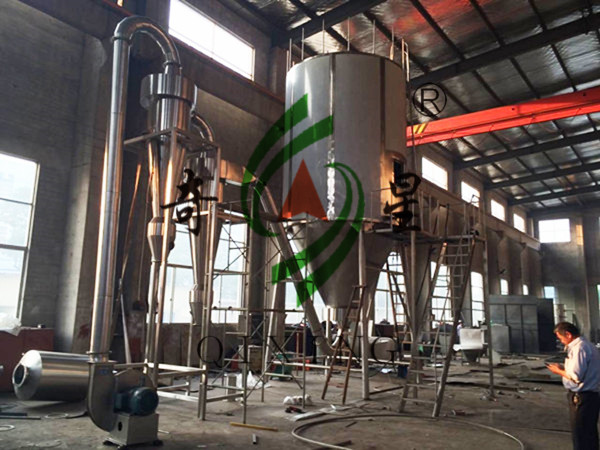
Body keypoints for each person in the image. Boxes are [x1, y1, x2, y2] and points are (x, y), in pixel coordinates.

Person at [546, 322, 600, 450]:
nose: (561, 341)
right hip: (590, 396)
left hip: (582, 397)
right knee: (589, 432)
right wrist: (564, 368)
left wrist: (558, 371)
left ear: (568, 334)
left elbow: (576, 377)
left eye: (561, 338)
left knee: (581, 434)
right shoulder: (587, 345)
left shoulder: (579, 348)